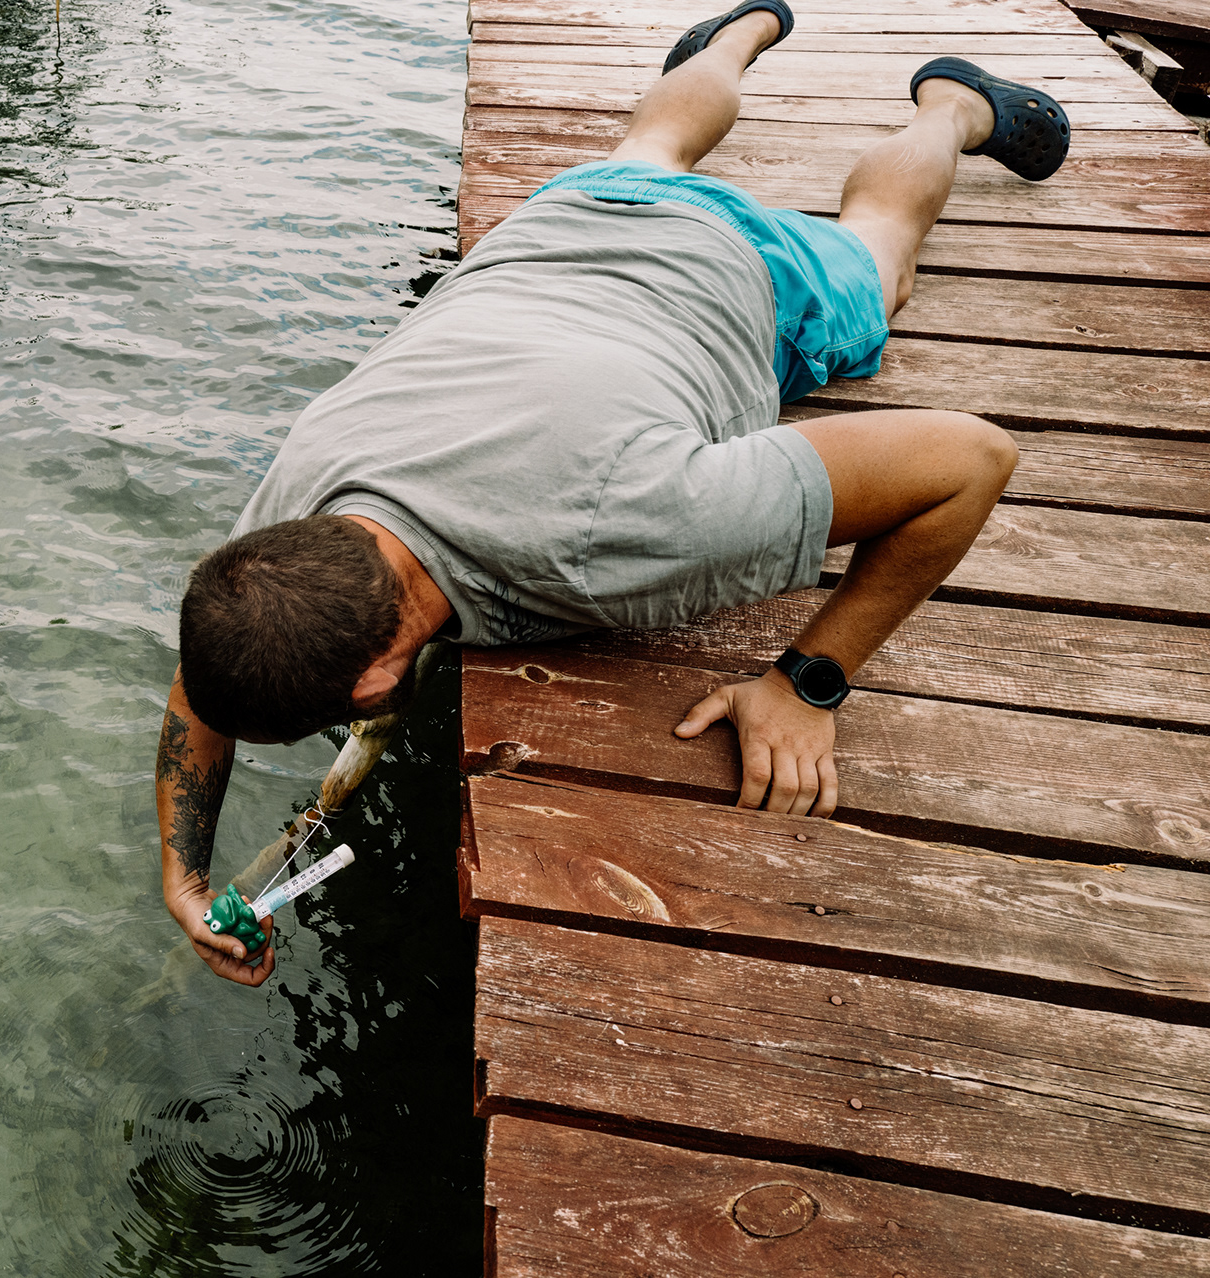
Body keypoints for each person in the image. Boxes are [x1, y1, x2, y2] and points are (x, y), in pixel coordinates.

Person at [156, 0, 1069, 986]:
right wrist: (185, 876)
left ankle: (951, 106)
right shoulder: (296, 526)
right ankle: (734, 41)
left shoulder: (621, 521)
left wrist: (807, 681)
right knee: (656, 140)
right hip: (566, 220)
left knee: (880, 246)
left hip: (735, 273)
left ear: (376, 688)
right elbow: (210, 683)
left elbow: (971, 461)